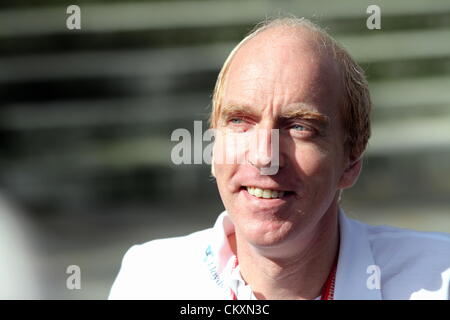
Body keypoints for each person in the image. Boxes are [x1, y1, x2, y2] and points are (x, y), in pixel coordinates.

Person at [109, 17, 450, 300]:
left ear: (351, 159)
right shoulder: (149, 280)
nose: (263, 156)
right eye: (240, 121)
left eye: (300, 126)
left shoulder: (440, 278)